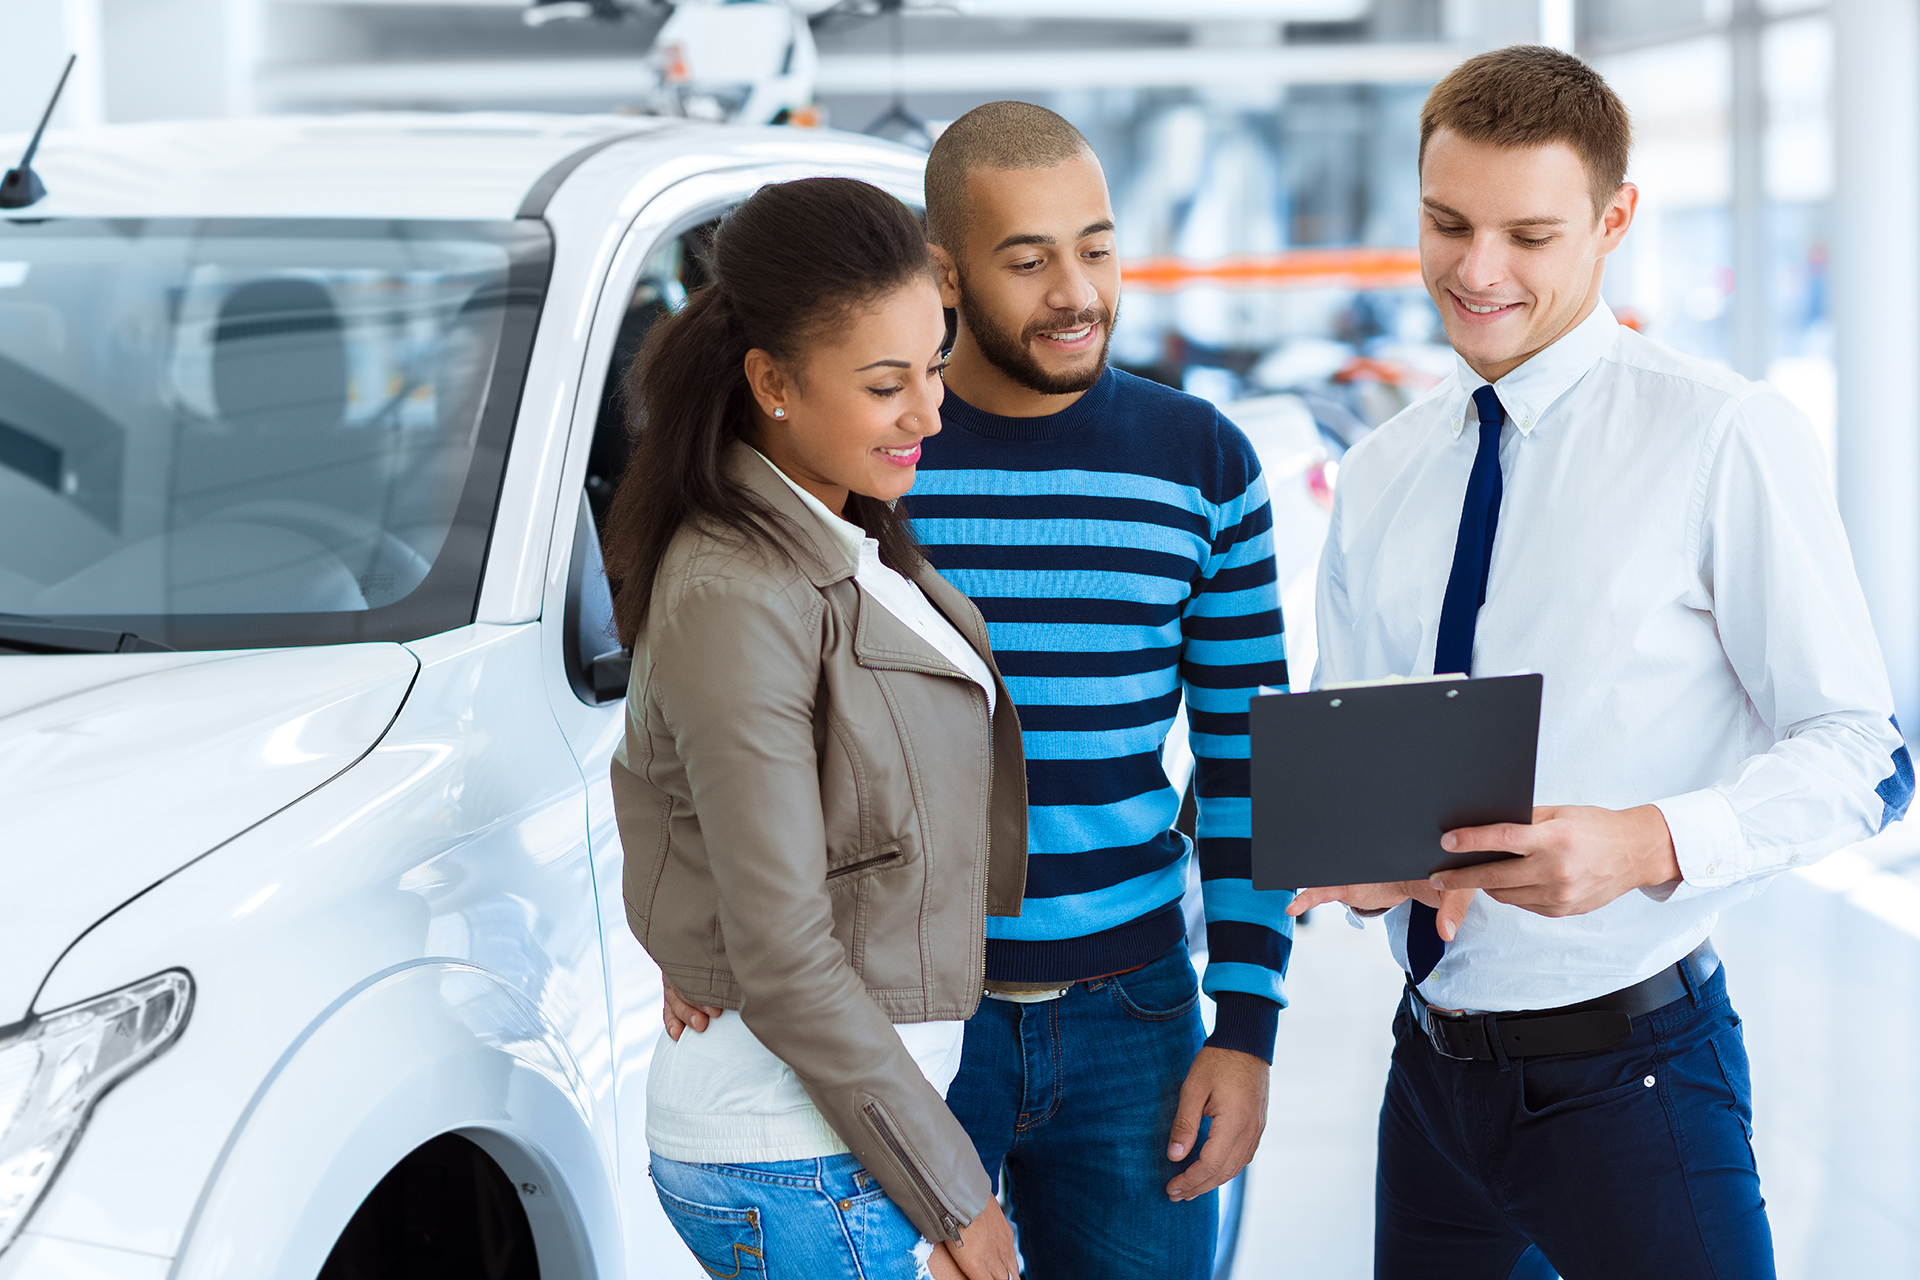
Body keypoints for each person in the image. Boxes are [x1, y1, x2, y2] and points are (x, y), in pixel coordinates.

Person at [1287, 46, 1914, 1280]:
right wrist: (1355, 863)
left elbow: (1865, 753)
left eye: (1529, 233)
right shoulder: (1380, 471)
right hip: (1430, 1072)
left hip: (1630, 1076)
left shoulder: (1721, 435)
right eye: (1446, 222)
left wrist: (1641, 842)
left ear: (1615, 219)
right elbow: (1359, 743)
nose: (1476, 271)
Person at [602, 177, 1028, 1280]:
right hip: (803, 1156)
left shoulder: (837, 526)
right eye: (887, 384)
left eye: (934, 365)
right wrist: (958, 1194)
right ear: (773, 383)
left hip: (842, 1135)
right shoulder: (740, 588)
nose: (931, 411)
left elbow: (672, 785)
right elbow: (783, 954)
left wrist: (686, 917)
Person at [919, 100, 1293, 1278]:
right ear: (945, 271)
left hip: (1137, 1016)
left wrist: (1248, 1028)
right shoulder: (877, 462)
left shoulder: (1205, 460)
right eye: (1027, 260)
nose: (1075, 290)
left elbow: (1249, 758)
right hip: (918, 1021)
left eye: (1095, 246)